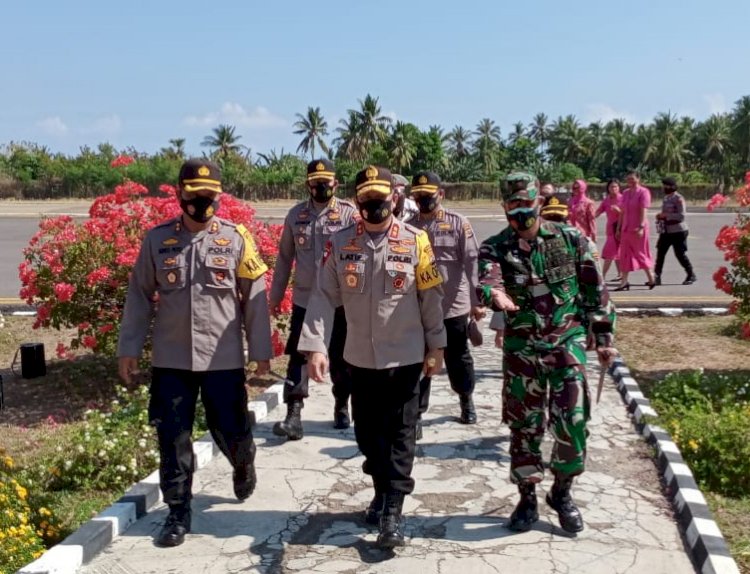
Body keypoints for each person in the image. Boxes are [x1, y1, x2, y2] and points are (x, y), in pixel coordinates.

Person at [117, 159, 273, 547]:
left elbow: (254, 297)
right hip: (172, 360)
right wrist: (129, 348)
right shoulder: (157, 240)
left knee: (231, 430)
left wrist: (262, 352)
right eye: (194, 195)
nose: (201, 202)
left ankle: (243, 461)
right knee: (173, 437)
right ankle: (177, 510)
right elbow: (139, 295)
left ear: (218, 196)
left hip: (224, 359)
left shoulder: (236, 239)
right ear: (180, 194)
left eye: (209, 195)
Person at [298, 165, 446, 549]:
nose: (373, 204)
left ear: (394, 198)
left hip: (406, 358)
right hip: (360, 359)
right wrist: (315, 344)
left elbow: (430, 298)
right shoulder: (341, 242)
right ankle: (381, 489)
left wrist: (437, 345)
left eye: (380, 197)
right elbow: (323, 297)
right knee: (368, 436)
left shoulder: (417, 242)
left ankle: (392, 511)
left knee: (400, 435)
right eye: (366, 198)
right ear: (357, 200)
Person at [477, 171, 617, 534]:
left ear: (539, 200)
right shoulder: (496, 247)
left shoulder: (571, 240)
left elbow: (595, 293)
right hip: (522, 352)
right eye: (513, 205)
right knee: (525, 427)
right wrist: (493, 294)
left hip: (565, 345)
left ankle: (562, 491)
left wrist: (603, 338)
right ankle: (526, 497)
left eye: (527, 203)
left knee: (572, 421)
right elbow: (486, 279)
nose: (521, 211)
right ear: (504, 207)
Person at [269, 159, 358, 438]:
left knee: (341, 359)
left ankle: (341, 404)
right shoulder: (296, 216)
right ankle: (293, 415)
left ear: (336, 183)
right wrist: (276, 295)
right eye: (315, 183)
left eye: (325, 182)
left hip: (340, 301)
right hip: (306, 301)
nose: (320, 187)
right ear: (307, 184)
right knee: (297, 357)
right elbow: (285, 258)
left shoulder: (349, 215)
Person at [409, 171, 484, 433]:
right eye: (418, 197)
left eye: (427, 196)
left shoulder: (457, 223)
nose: (423, 201)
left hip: (453, 305)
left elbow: (472, 262)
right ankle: (416, 414)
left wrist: (477, 301)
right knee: (420, 359)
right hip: (420, 309)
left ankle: (466, 398)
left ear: (440, 194)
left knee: (457, 357)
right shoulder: (409, 226)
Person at [614, 172, 656, 290]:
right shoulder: (626, 193)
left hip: (638, 228)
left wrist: (641, 227)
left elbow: (644, 210)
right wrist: (618, 228)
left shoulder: (644, 192)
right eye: (628, 179)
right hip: (626, 228)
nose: (630, 182)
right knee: (624, 255)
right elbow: (622, 212)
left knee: (640, 253)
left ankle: (651, 278)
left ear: (638, 179)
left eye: (632, 179)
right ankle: (624, 282)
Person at [654, 177, 696, 285]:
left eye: (666, 186)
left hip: (678, 231)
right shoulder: (666, 198)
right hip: (666, 231)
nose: (664, 188)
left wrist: (666, 215)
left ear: (672, 186)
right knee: (660, 253)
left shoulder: (678, 198)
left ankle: (691, 274)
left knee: (680, 254)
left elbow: (681, 216)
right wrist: (660, 217)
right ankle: (657, 276)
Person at [594, 179, 623, 282]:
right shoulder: (607, 200)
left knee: (609, 253)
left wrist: (619, 211)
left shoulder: (622, 199)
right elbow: (598, 211)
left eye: (615, 186)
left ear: (619, 188)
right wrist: (589, 218)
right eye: (611, 187)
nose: (613, 188)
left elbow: (627, 215)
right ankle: (621, 274)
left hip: (620, 229)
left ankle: (602, 276)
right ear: (608, 188)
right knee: (616, 253)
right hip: (610, 229)